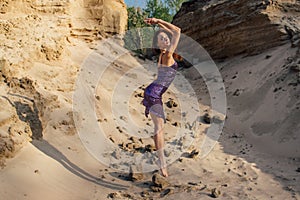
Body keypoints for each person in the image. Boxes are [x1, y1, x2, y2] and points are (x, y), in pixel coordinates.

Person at [142, 17, 181, 177]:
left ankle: (161, 159)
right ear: (159, 44)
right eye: (162, 39)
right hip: (154, 94)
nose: (165, 40)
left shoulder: (162, 56)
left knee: (159, 128)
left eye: (166, 38)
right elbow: (177, 31)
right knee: (159, 129)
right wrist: (158, 21)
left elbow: (173, 32)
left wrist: (158, 25)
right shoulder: (167, 55)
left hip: (153, 92)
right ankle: (161, 162)